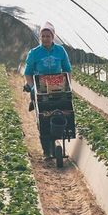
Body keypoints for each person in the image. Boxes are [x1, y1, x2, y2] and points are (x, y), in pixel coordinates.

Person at [22, 21, 72, 156]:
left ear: (53, 36)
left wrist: (68, 85)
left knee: (63, 109)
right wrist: (33, 87)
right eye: (43, 36)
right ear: (40, 37)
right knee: (43, 117)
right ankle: (46, 150)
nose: (45, 39)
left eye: (48, 36)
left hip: (58, 86)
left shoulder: (60, 51)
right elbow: (28, 72)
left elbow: (67, 70)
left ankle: (58, 133)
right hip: (41, 87)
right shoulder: (34, 53)